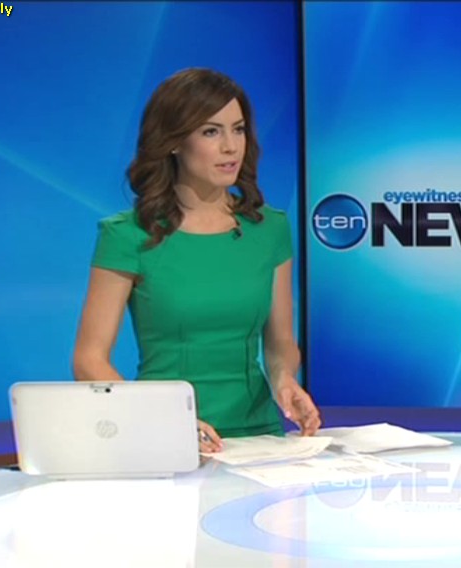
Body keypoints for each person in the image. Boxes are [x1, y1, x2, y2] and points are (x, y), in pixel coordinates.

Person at [72, 68, 320, 452]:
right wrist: (161, 420)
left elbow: (280, 342)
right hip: (164, 438)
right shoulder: (128, 235)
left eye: (238, 129)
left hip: (257, 440)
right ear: (174, 141)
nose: (231, 147)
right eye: (211, 132)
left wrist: (284, 380)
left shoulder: (269, 228)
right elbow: (89, 360)